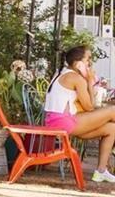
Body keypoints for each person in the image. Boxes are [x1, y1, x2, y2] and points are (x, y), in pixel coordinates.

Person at [43, 45, 115, 183]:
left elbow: (91, 106)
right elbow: (89, 107)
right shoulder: (75, 77)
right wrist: (88, 81)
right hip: (64, 123)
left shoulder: (63, 73)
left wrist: (88, 82)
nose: (90, 63)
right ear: (78, 64)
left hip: (59, 122)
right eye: (88, 59)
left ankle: (101, 171)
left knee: (112, 129)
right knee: (112, 111)